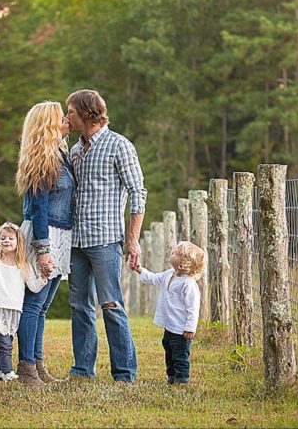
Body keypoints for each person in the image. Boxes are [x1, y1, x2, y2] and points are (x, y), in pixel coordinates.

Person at [66, 89, 147, 382]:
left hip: (105, 240)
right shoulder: (75, 150)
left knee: (111, 305)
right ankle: (82, 370)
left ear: (87, 113)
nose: (67, 117)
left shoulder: (119, 145)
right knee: (79, 307)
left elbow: (138, 192)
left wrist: (133, 240)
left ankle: (124, 373)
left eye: (70, 111)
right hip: (76, 241)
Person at [15, 101, 75, 388]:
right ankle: (26, 369)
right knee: (33, 304)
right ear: (49, 125)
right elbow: (38, 210)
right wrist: (42, 251)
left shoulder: (61, 155)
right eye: (61, 118)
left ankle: (38, 365)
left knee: (43, 307)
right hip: (44, 235)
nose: (67, 120)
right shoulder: (43, 160)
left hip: (60, 235)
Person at [0, 221, 47, 382]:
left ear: (18, 242)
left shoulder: (23, 265)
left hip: (14, 309)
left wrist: (43, 278)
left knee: (7, 341)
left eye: (10, 238)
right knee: (5, 344)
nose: (6, 241)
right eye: (3, 238)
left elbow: (34, 287)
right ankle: (8, 372)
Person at [136, 241, 204, 386]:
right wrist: (140, 269)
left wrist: (190, 327)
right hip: (169, 326)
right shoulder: (168, 275)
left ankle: (182, 380)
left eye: (176, 253)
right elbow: (153, 278)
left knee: (180, 356)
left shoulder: (188, 284)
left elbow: (193, 308)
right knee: (169, 352)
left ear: (183, 264)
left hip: (181, 330)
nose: (172, 253)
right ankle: (171, 377)